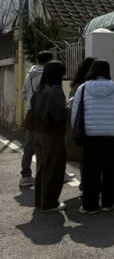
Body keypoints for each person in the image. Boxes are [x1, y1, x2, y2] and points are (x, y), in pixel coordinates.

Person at [70, 60, 114, 214]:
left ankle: (90, 206)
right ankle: (108, 204)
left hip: (90, 136)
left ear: (92, 71)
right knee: (111, 170)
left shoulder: (82, 89)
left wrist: (75, 131)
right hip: (112, 137)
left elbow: (75, 113)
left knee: (90, 171)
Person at [31, 60, 68, 212]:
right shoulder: (55, 91)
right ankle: (50, 202)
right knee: (54, 168)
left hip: (39, 132)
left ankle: (40, 201)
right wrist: (68, 109)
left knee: (42, 168)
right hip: (53, 134)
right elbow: (60, 115)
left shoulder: (39, 90)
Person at [19, 50, 53, 188]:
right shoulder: (47, 75)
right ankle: (53, 173)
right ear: (48, 61)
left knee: (29, 146)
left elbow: (23, 94)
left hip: (31, 114)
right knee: (50, 144)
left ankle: (26, 175)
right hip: (46, 114)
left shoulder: (29, 75)